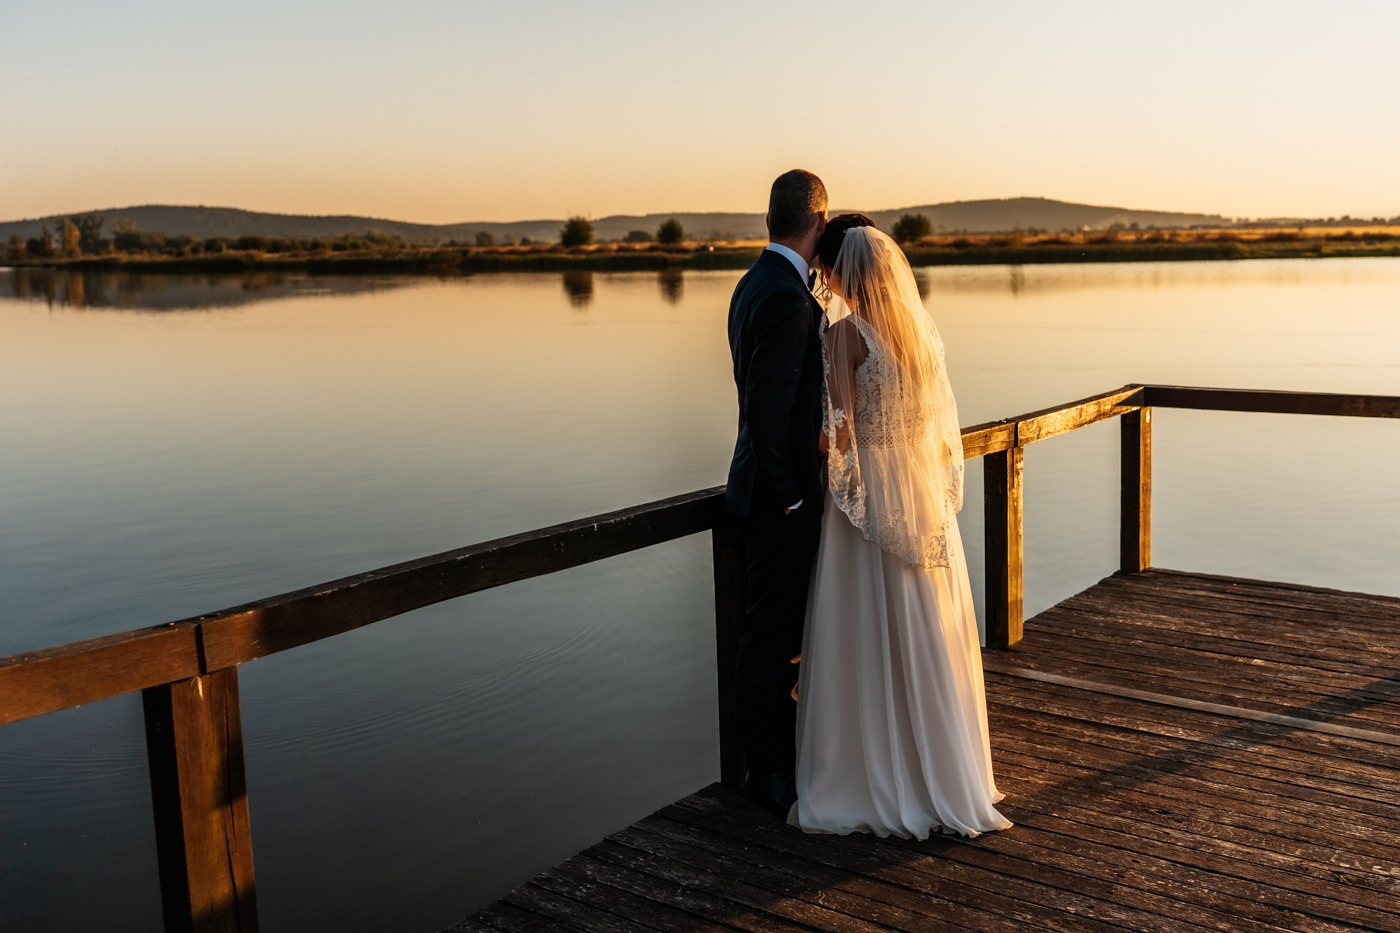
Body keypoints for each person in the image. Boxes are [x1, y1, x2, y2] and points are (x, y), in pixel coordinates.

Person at [788, 213, 1012, 839]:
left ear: (840, 271)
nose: (825, 281)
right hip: (920, 495)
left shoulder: (845, 335)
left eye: (827, 271)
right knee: (925, 625)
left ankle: (872, 773)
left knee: (865, 625)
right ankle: (946, 769)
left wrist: (796, 438)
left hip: (869, 500)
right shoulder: (919, 333)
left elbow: (837, 437)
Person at [725, 169, 828, 815]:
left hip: (757, 488)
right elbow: (768, 413)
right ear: (820, 220)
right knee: (771, 637)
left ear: (770, 219)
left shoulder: (751, 283)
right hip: (775, 498)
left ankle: (770, 762)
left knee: (767, 632)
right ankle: (767, 773)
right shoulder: (789, 297)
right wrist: (790, 497)